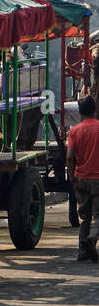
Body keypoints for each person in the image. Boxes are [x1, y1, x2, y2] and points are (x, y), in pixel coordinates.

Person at [67, 95, 99, 261]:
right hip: (98, 179)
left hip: (81, 179)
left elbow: (70, 157)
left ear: (80, 112)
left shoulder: (74, 131)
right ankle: (92, 239)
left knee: (85, 218)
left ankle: (82, 251)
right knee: (98, 216)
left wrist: (72, 178)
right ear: (95, 110)